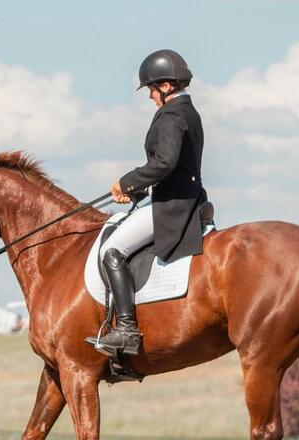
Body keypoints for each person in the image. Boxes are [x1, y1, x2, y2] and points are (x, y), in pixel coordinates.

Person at [88, 49, 208, 357]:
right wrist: (138, 192)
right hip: (182, 196)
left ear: (166, 86)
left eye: (152, 88)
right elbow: (175, 166)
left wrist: (127, 181)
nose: (150, 96)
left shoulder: (171, 115)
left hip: (172, 206)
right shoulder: (187, 111)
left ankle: (126, 329)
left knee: (111, 250)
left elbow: (165, 163)